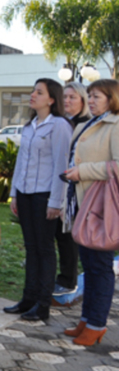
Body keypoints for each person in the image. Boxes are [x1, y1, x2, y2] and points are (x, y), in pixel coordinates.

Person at [5, 79, 72, 322]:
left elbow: (62, 166)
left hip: (45, 196)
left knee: (44, 250)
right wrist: (14, 193)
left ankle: (43, 305)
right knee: (31, 249)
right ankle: (28, 299)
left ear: (51, 99)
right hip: (25, 194)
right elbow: (20, 163)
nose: (33, 95)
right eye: (33, 90)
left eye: (39, 92)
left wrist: (56, 201)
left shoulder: (60, 126)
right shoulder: (29, 126)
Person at [62, 78, 119, 345]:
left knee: (100, 267)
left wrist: (82, 171)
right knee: (90, 265)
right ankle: (86, 320)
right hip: (83, 201)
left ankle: (96, 324)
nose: (91, 100)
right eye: (91, 96)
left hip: (102, 206)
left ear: (111, 97)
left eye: (96, 96)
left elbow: (117, 166)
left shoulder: (116, 125)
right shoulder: (91, 122)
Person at [54, 81, 92, 299]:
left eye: (72, 97)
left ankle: (68, 280)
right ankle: (64, 277)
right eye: (65, 97)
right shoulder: (65, 122)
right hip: (63, 187)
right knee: (62, 234)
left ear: (83, 100)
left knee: (69, 236)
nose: (67, 101)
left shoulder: (86, 124)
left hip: (78, 190)